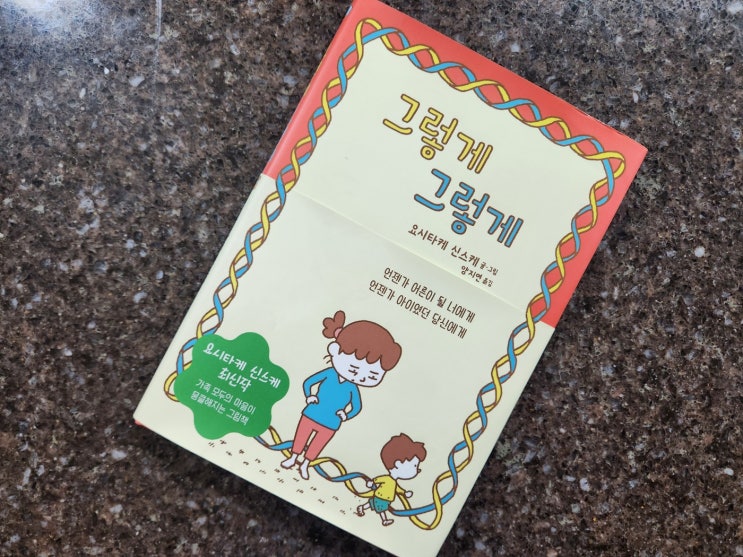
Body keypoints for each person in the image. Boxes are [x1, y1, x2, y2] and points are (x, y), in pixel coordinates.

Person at [281, 310, 402, 480]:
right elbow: (309, 382)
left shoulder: (352, 388)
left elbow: (357, 407)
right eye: (354, 368)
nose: (359, 376)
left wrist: (346, 415)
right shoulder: (329, 374)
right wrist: (310, 396)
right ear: (335, 350)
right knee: (301, 437)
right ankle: (293, 457)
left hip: (332, 422)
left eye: (372, 375)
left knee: (317, 445)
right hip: (312, 412)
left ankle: (305, 464)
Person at [356, 433, 427, 526]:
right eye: (414, 465)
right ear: (398, 463)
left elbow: (397, 489)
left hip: (384, 498)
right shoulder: (387, 479)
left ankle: (362, 508)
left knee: (372, 504)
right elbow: (378, 479)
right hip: (381, 497)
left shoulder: (393, 482)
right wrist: (371, 482)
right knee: (381, 509)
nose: (417, 469)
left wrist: (405, 493)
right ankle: (384, 520)